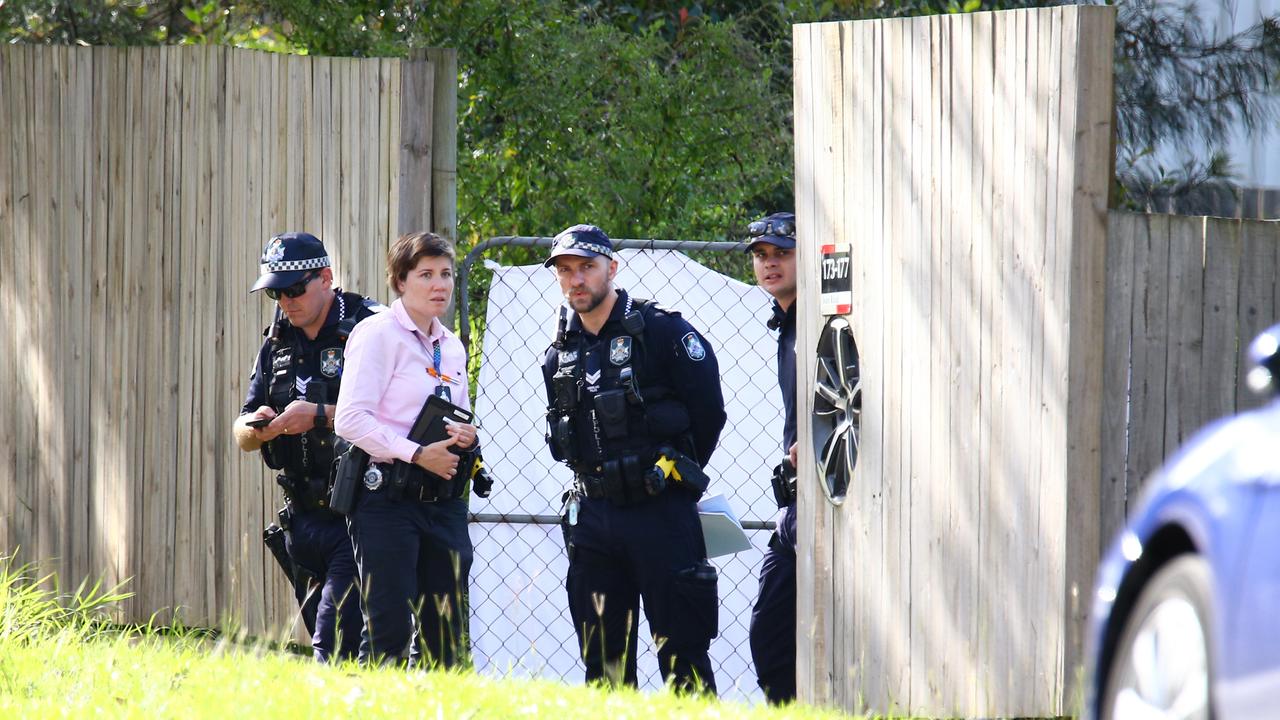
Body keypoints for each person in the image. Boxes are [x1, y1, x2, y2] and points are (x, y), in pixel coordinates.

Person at [542, 224, 727, 694]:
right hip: (594, 518)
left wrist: (666, 475)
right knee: (603, 663)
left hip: (660, 513)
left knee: (682, 655)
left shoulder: (661, 331)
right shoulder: (559, 352)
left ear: (612, 268)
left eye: (587, 267)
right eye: (565, 271)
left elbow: (709, 412)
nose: (576, 280)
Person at [233, 231, 382, 662]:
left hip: (358, 513)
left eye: (295, 289)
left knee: (329, 646)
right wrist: (257, 427)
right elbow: (242, 427)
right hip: (301, 520)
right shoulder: (276, 341)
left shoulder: (369, 327)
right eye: (275, 292)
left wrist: (318, 414)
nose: (286, 301)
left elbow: (398, 411)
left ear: (326, 278)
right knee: (342, 652)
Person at [334, 231, 480, 667]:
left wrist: (466, 437)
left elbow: (459, 413)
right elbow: (350, 420)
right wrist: (417, 454)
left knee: (447, 632)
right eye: (426, 275)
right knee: (389, 630)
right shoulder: (377, 333)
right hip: (387, 499)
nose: (441, 285)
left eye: (447, 274)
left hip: (442, 499)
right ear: (400, 281)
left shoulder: (450, 344)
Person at [745, 212, 800, 704]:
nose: (769, 263)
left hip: (832, 494)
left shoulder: (822, 323)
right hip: (796, 505)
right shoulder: (786, 324)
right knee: (770, 637)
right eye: (762, 256)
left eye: (781, 253)